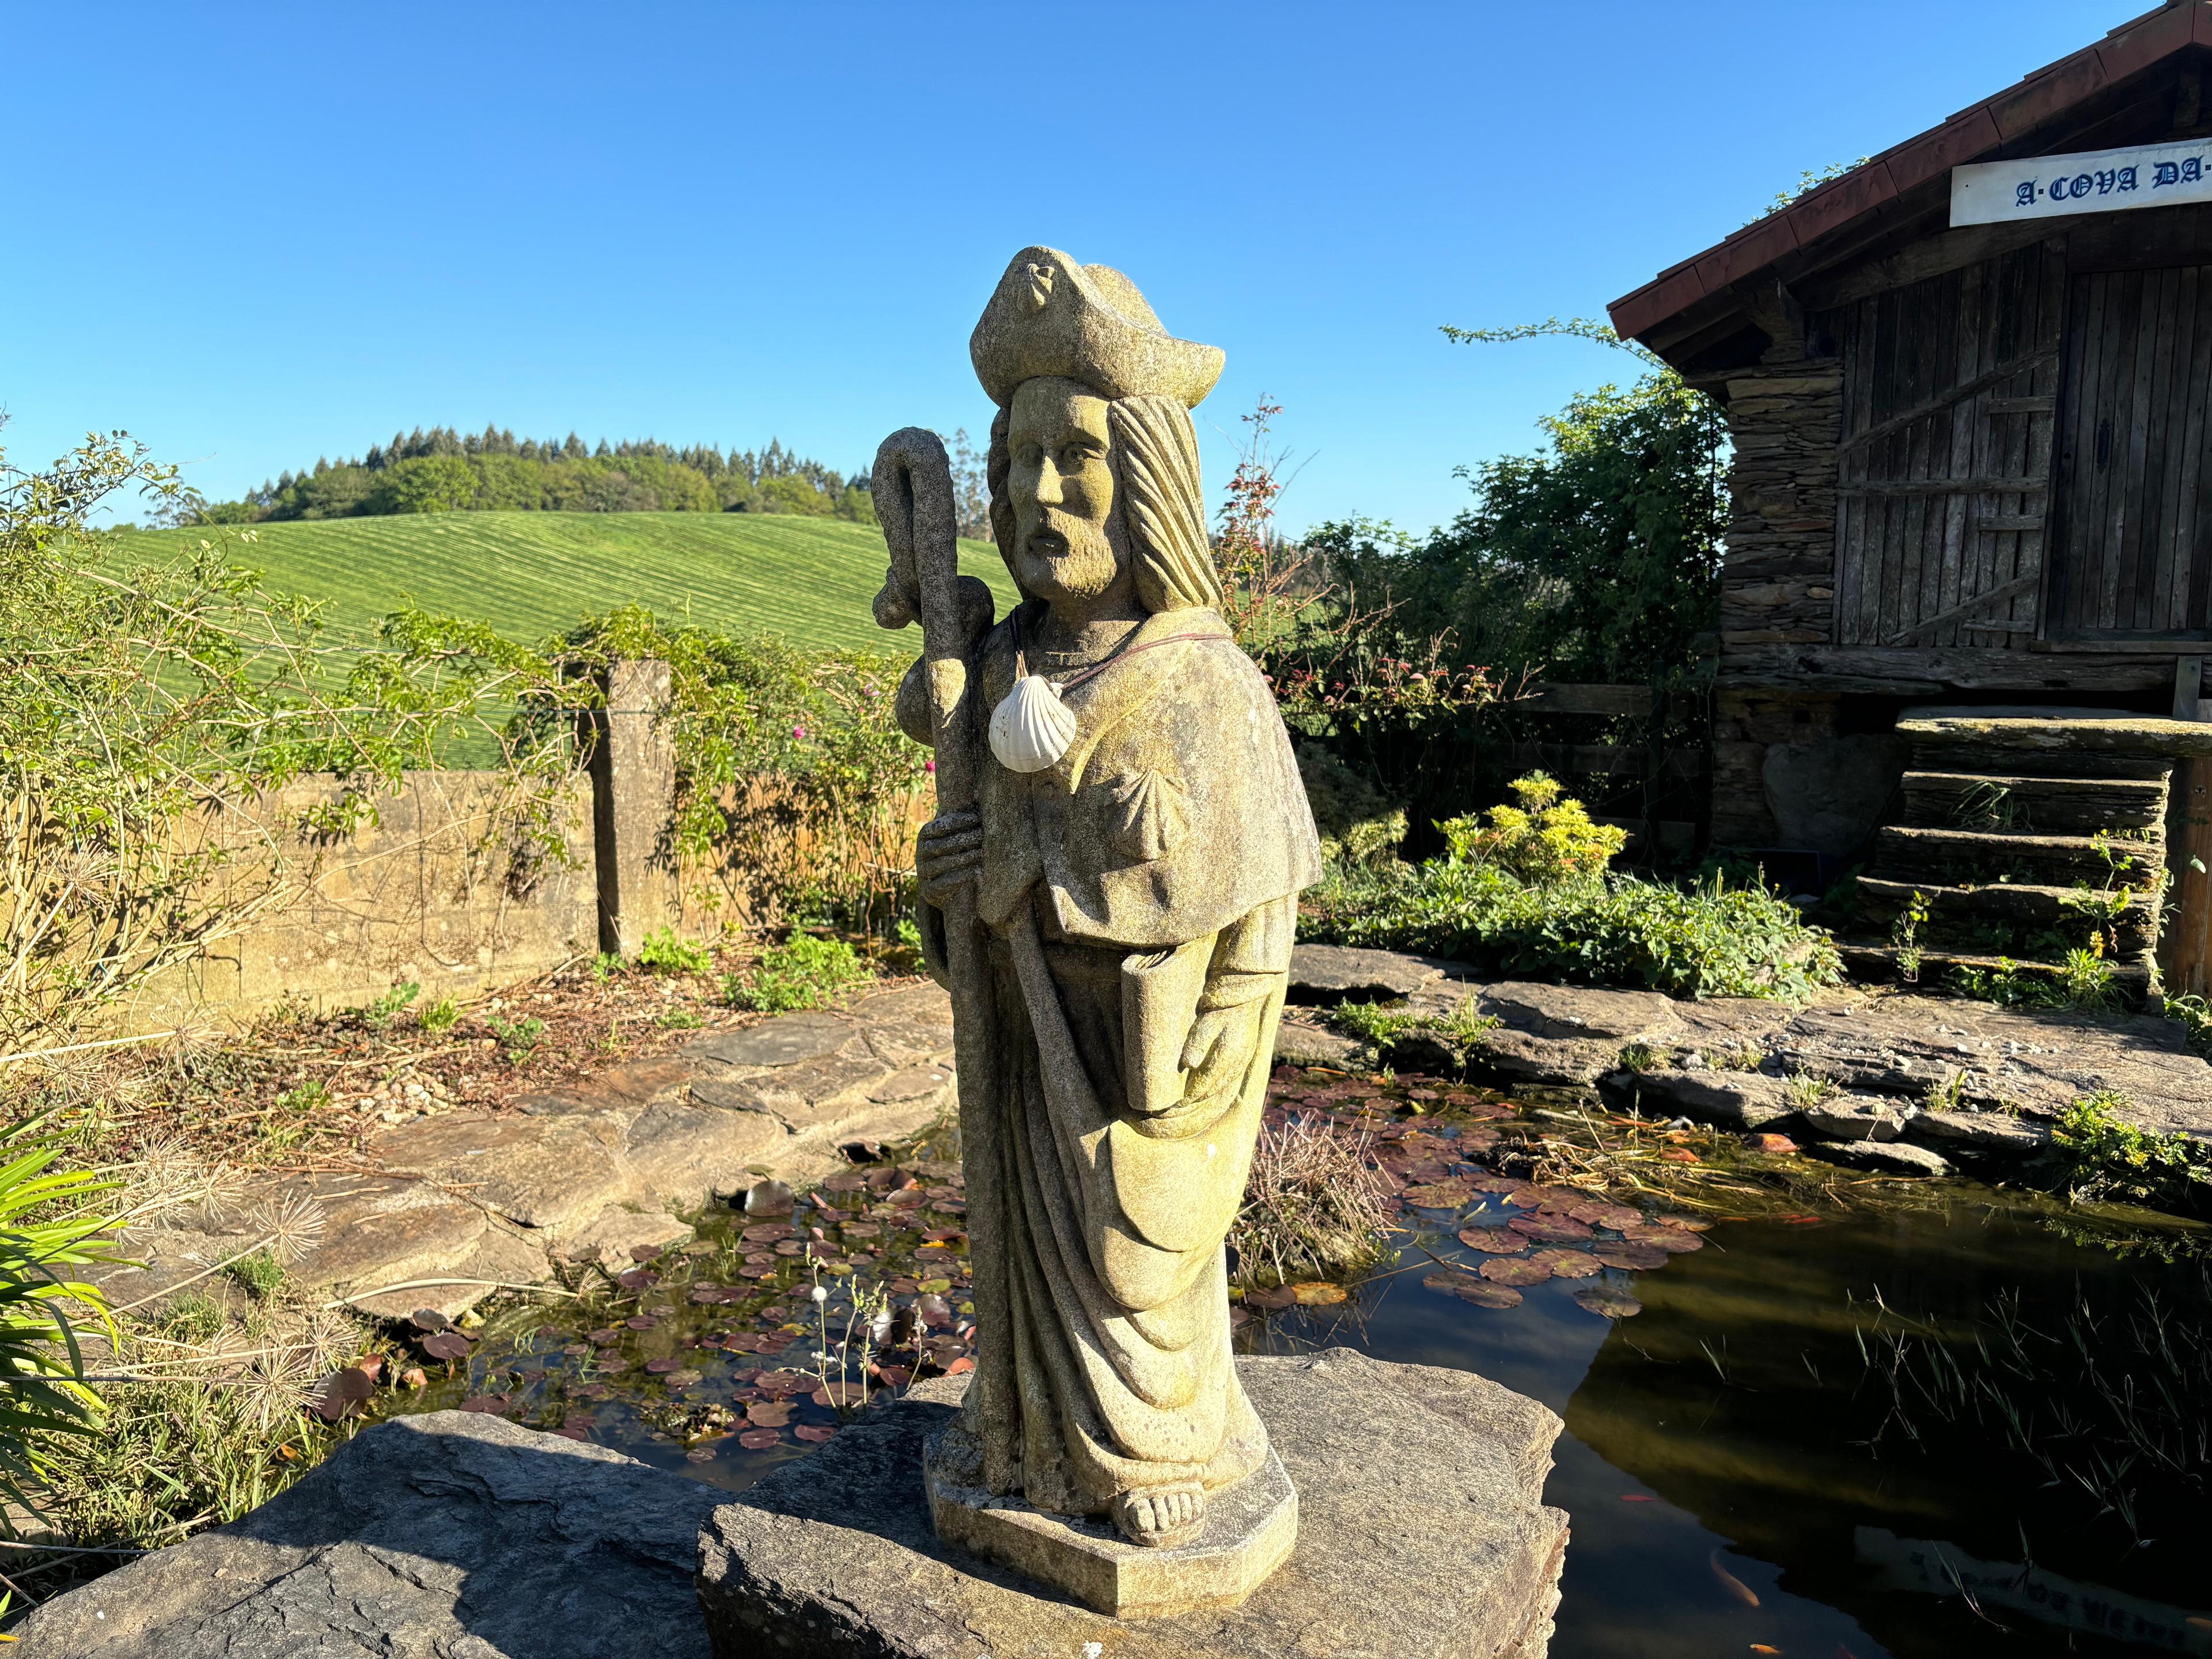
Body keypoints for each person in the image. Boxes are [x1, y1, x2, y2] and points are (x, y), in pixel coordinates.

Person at [902, 247, 1320, 1550]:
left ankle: (1151, 1440)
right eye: (1017, 459)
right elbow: (962, 889)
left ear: (1146, 473)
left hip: (1149, 1068)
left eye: (1075, 456)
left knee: (1141, 1263)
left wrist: (1210, 1041)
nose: (1037, 492)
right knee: (1027, 1262)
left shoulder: (1204, 684)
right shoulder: (991, 668)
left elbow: (1261, 910)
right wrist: (951, 879)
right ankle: (1018, 1427)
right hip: (1027, 1041)